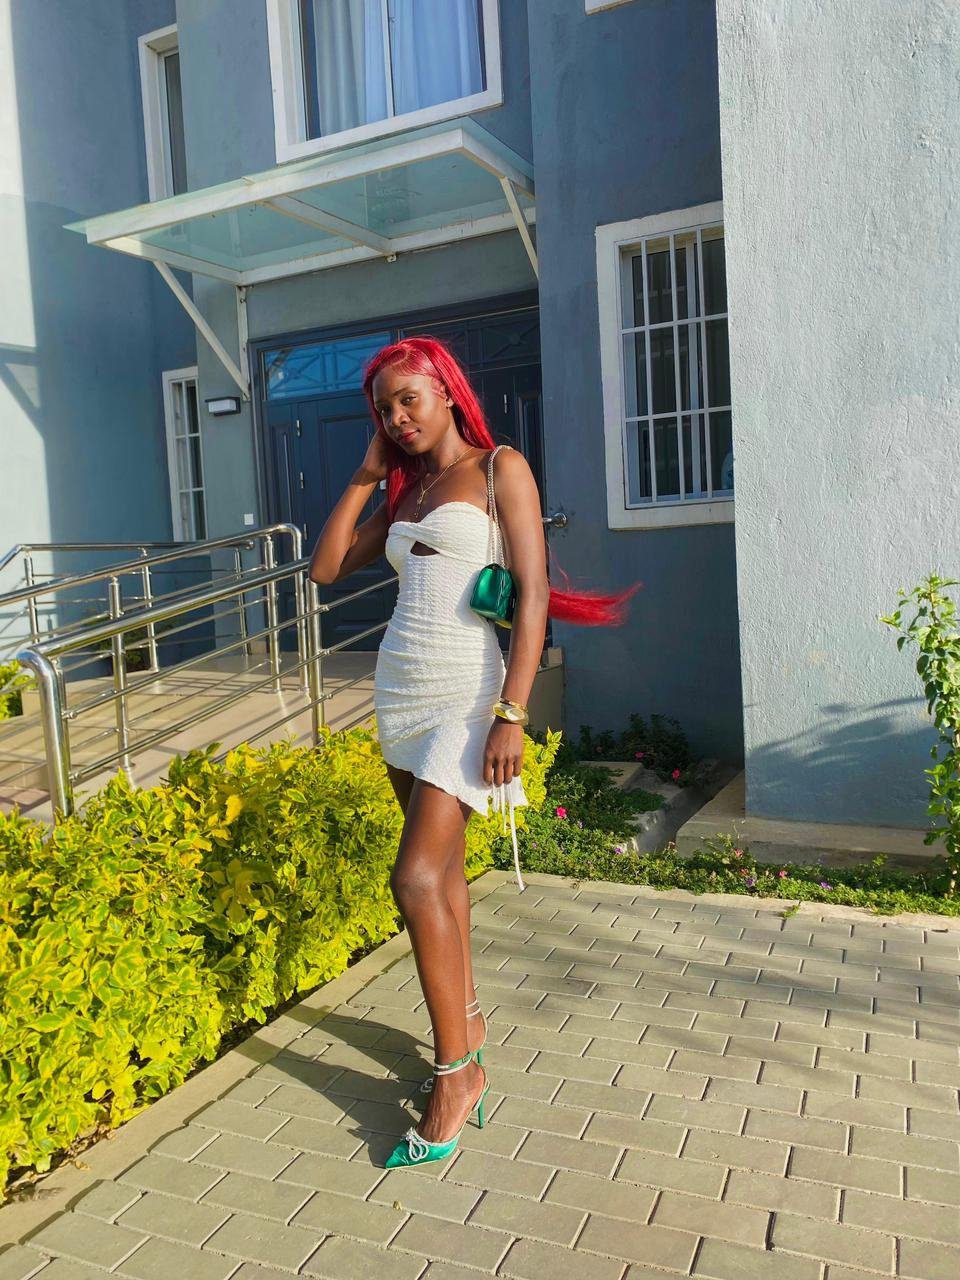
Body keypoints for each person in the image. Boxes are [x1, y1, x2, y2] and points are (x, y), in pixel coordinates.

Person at [308, 336, 637, 1169]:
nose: (398, 417)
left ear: (447, 392)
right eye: (384, 408)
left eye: (409, 399)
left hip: (466, 695)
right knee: (444, 880)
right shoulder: (404, 489)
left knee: (414, 879)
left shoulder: (499, 469)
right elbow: (325, 569)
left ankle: (456, 1076)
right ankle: (468, 1024)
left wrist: (511, 714)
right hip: (401, 693)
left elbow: (532, 598)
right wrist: (365, 472)